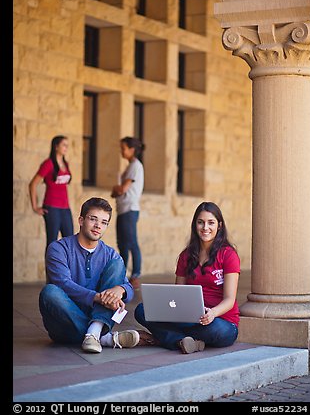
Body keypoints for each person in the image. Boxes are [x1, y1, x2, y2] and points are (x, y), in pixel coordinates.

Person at [39, 197, 143, 353]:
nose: (97, 226)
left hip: (98, 316)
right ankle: (103, 337)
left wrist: (121, 289)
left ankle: (95, 331)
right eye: (93, 219)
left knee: (117, 266)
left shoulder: (111, 255)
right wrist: (98, 297)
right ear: (81, 220)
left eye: (103, 222)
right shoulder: (59, 248)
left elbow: (127, 291)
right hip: (65, 323)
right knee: (49, 293)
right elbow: (63, 283)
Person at [134, 201, 240, 354]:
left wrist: (212, 314)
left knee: (220, 332)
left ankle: (168, 338)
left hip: (219, 321)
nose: (205, 228)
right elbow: (178, 296)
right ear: (194, 225)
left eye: (211, 223)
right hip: (190, 318)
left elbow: (230, 300)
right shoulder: (186, 256)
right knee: (142, 310)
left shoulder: (228, 255)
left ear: (220, 226)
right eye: (200, 222)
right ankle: (182, 341)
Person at [29, 135, 74, 263]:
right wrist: (35, 206)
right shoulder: (48, 164)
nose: (66, 148)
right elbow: (32, 184)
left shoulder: (66, 164)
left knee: (70, 242)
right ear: (56, 147)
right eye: (64, 145)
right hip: (52, 207)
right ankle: (51, 277)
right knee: (52, 243)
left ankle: (68, 275)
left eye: (67, 145)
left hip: (65, 208)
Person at [111, 137, 145, 290]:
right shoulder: (130, 166)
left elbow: (122, 189)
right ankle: (122, 274)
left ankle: (136, 275)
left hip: (130, 209)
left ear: (132, 149)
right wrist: (116, 190)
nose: (121, 151)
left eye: (123, 148)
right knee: (122, 244)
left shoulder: (135, 166)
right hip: (123, 210)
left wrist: (116, 188)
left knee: (131, 243)